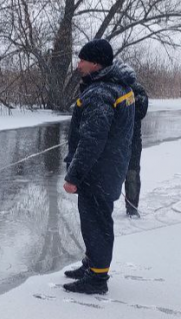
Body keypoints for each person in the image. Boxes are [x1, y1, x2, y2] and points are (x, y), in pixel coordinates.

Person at [62, 39, 136, 294]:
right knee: (94, 221)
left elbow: (92, 141)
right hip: (110, 167)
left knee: (96, 223)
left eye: (82, 60)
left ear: (95, 63)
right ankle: (92, 265)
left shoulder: (101, 92)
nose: (79, 64)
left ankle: (97, 279)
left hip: (98, 172)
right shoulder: (120, 86)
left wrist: (73, 176)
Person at [125, 80, 148, 217]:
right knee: (107, 174)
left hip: (133, 142)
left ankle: (132, 207)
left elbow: (141, 111)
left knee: (132, 174)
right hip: (113, 142)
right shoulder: (111, 88)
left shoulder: (137, 90)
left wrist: (127, 101)